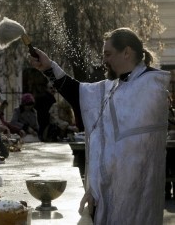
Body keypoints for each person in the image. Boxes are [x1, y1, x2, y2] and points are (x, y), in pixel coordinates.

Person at [30, 28, 170, 224]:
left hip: (138, 193)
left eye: (108, 54)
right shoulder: (114, 86)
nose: (104, 60)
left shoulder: (152, 86)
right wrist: (48, 68)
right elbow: (79, 93)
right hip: (108, 193)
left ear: (127, 52)